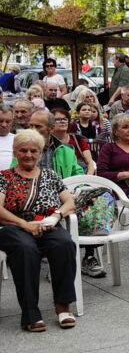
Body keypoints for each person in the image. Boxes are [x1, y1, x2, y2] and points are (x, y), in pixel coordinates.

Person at [0, 129, 78, 332]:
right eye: (23, 150)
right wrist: (25, 225)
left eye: (33, 151)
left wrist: (56, 216)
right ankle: (31, 313)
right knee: (26, 250)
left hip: (46, 223)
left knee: (64, 244)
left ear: (40, 153)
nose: (28, 155)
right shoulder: (4, 177)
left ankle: (63, 306)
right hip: (13, 226)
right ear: (15, 152)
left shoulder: (50, 175)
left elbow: (69, 201)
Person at [22, 111, 83, 178]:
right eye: (31, 126)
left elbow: (78, 174)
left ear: (52, 128)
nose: (33, 130)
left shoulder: (66, 151)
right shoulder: (22, 149)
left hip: (62, 187)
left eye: (38, 126)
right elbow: (15, 174)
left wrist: (75, 187)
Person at [50, 109, 95, 175]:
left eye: (65, 119)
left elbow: (90, 162)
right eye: (58, 119)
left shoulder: (77, 139)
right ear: (50, 123)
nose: (62, 121)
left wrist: (87, 179)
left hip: (81, 176)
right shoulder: (48, 142)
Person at [0, 104, 15, 170]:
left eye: (8, 121)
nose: (4, 125)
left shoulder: (18, 139)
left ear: (13, 122)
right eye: (0, 121)